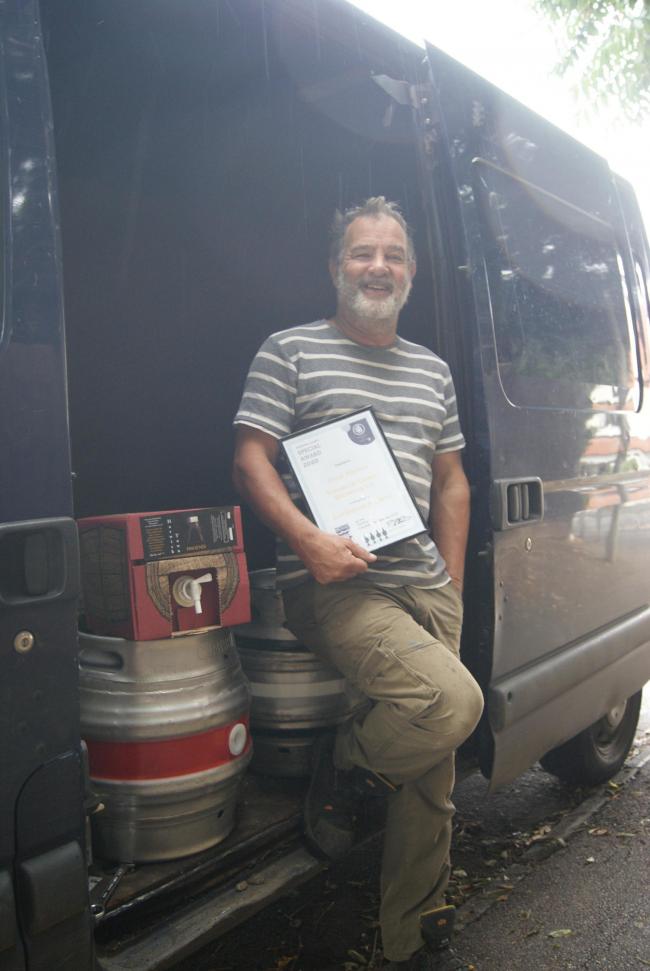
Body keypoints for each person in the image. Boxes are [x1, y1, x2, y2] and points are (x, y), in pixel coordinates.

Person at [232, 197, 484, 970]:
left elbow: (452, 481)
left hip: (426, 584)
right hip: (336, 586)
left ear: (412, 271)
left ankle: (412, 931)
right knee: (452, 704)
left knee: (433, 770)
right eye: (362, 252)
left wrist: (450, 581)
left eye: (393, 254)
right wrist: (307, 540)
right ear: (335, 266)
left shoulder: (432, 370)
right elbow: (250, 458)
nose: (379, 266)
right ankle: (347, 763)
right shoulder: (291, 350)